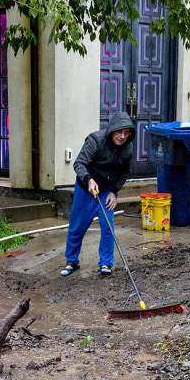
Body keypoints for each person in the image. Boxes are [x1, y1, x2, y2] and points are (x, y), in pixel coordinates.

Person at [61, 111, 136, 276]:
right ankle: (72, 261)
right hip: (86, 188)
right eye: (119, 132)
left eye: (126, 133)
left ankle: (106, 263)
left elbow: (125, 172)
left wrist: (114, 191)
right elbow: (79, 163)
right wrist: (88, 180)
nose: (122, 136)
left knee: (108, 227)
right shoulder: (95, 141)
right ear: (112, 130)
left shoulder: (128, 148)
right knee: (77, 226)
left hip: (106, 190)